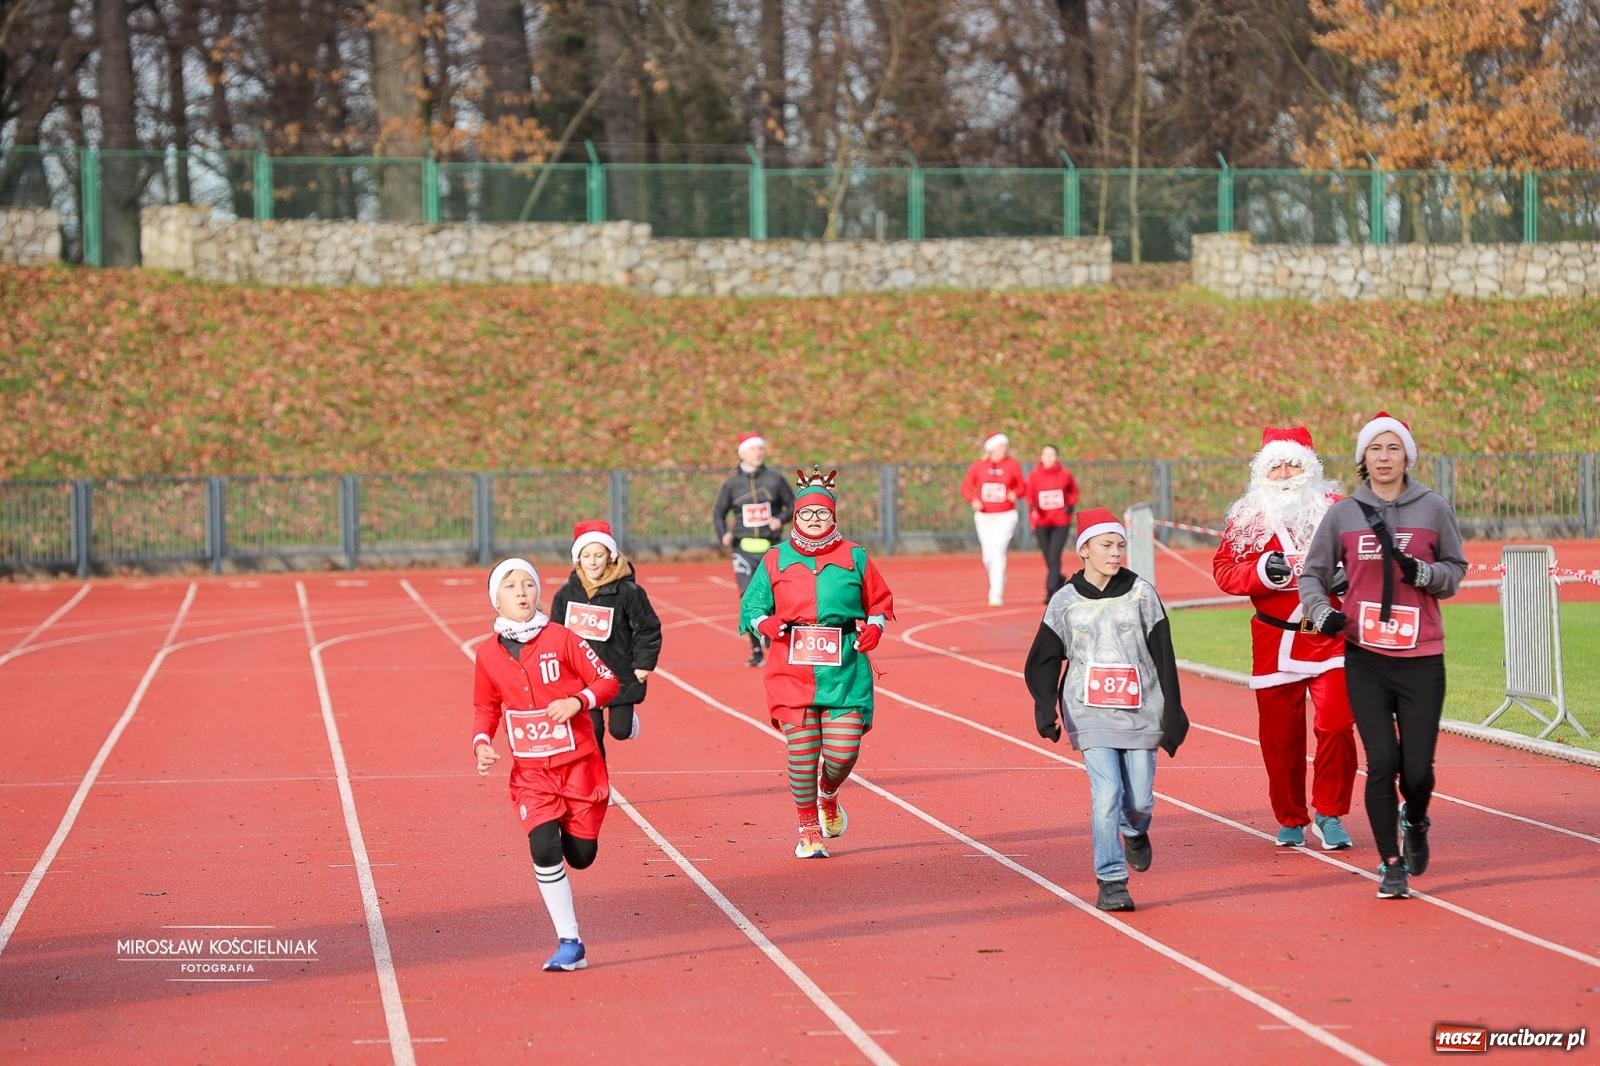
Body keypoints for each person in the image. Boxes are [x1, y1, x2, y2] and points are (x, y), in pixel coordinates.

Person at [1299, 413, 1466, 900]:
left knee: (1417, 769)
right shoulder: (1344, 514)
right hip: (1365, 657)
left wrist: (1425, 574)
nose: (1385, 458)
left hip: (1422, 657)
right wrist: (1320, 610)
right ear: (1362, 459)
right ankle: (1390, 863)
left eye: (1394, 449)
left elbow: (1455, 570)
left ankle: (1414, 818)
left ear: (1407, 456)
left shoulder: (1433, 508)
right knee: (1381, 763)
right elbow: (1313, 573)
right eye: (1376, 449)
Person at [1024, 507, 1189, 912]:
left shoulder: (1141, 594)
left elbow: (1163, 655)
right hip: (1088, 711)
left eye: (1120, 545)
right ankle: (1111, 878)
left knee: (1140, 801)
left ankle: (1135, 830)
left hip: (1141, 709)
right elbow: (1043, 660)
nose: (1115, 553)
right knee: (1107, 794)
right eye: (1106, 545)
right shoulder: (1064, 602)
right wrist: (1046, 707)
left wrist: (1173, 710)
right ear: (1084, 550)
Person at [1212, 426, 1358, 851]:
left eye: (1294, 463)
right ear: (1262, 471)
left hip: (1331, 638)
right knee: (1281, 740)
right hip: (1274, 642)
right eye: (1275, 465)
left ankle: (1330, 813)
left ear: (1311, 468)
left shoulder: (1339, 509)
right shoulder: (1246, 517)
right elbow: (1223, 570)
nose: (1285, 473)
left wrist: (1347, 575)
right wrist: (1261, 572)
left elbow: (1367, 558)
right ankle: (1290, 816)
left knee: (1336, 725)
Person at [472, 557, 620, 971]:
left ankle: (582, 835)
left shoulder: (563, 638)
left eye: (528, 585)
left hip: (580, 768)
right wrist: (481, 741)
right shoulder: (487, 654)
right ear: (495, 600)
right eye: (510, 586)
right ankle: (569, 940)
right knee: (543, 846)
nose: (521, 592)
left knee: (582, 855)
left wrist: (578, 701)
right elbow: (485, 705)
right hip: (531, 774)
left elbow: (607, 680)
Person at [738, 467, 895, 859]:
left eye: (821, 513)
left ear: (833, 517)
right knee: (802, 753)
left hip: (843, 663)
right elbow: (753, 605)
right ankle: (809, 828)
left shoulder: (855, 555)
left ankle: (829, 794)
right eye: (807, 513)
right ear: (796, 516)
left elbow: (878, 602)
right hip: (792, 666)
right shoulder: (776, 557)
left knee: (843, 752)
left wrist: (874, 628)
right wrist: (766, 623)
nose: (814, 519)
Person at [550, 519, 663, 763]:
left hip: (619, 672)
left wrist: (644, 663)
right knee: (592, 731)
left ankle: (627, 721)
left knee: (619, 732)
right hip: (583, 676)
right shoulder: (565, 595)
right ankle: (599, 780)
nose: (592, 561)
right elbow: (555, 634)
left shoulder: (629, 593)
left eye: (598, 555)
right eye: (586, 555)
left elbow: (647, 628)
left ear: (610, 556)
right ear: (578, 558)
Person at [713, 431, 796, 666]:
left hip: (772, 549)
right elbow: (718, 513)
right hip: (744, 551)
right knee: (748, 598)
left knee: (777, 598)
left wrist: (780, 518)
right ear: (742, 453)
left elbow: (792, 505)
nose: (758, 452)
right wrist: (724, 535)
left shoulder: (775, 479)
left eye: (761, 448)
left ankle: (775, 640)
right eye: (753, 449)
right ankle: (756, 650)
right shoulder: (732, 484)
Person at [959, 431, 1026, 607]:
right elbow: (966, 487)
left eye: (1004, 446)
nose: (1003, 449)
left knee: (998, 551)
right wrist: (973, 500)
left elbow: (1022, 486)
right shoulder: (978, 466)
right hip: (984, 516)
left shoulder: (1012, 465)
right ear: (991, 448)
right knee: (988, 556)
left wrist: (1015, 494)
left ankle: (995, 594)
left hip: (1005, 515)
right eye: (1000, 446)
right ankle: (999, 576)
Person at [1023, 444, 1080, 602]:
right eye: (1045, 454)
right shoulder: (1035, 476)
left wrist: (1070, 506)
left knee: (1054, 555)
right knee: (1049, 557)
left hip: (1060, 522)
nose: (1048, 458)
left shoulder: (1065, 475)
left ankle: (1050, 590)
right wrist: (1033, 512)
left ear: (1057, 457)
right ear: (1041, 457)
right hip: (1042, 521)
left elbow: (1073, 492)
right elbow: (1030, 496)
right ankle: (1059, 578)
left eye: (1051, 454)